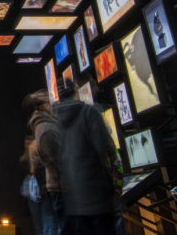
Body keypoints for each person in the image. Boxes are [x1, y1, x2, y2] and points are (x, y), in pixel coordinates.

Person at [56, 79, 117, 235]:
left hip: (74, 197)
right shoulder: (89, 112)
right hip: (96, 192)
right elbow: (103, 148)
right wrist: (113, 178)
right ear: (75, 90)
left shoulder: (56, 120)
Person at [22, 89, 64, 230]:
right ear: (44, 106)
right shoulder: (45, 128)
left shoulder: (45, 126)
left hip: (54, 185)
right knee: (52, 225)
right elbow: (57, 160)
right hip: (59, 185)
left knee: (51, 224)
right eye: (49, 101)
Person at [20, 136, 58, 235]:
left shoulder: (42, 161)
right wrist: (32, 164)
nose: (29, 146)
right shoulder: (24, 160)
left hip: (44, 192)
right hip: (31, 193)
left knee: (48, 221)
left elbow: (45, 175)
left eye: (31, 144)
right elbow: (25, 175)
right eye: (27, 144)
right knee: (38, 223)